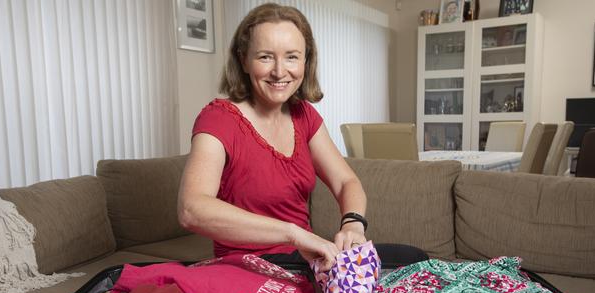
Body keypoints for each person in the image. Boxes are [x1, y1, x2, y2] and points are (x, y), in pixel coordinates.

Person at [177, 3, 427, 272]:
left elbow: (345, 182)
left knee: (412, 258)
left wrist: (353, 222)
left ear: (306, 61)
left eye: (292, 57)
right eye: (265, 57)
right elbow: (192, 209)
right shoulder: (218, 118)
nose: (279, 71)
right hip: (248, 265)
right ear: (243, 60)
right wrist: (294, 234)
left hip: (302, 258)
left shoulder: (303, 115)